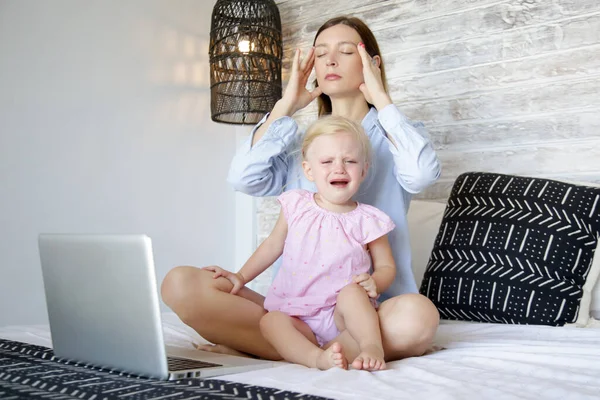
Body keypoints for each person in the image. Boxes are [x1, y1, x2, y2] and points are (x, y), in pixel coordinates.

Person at [161, 16, 441, 366]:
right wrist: (285, 106)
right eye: (321, 54)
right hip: (294, 312)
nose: (330, 61)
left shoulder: (396, 137)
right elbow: (243, 178)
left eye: (344, 51)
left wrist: (382, 100)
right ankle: (306, 350)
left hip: (365, 314)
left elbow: (422, 173)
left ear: (372, 63)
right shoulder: (299, 145)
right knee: (180, 284)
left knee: (419, 317)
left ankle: (274, 350)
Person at [207, 116, 396, 370]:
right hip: (295, 313)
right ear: (308, 170)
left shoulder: (369, 219)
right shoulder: (296, 204)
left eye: (349, 161)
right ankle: (316, 358)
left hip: (341, 316)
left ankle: (371, 346)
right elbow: (273, 245)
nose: (339, 168)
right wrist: (240, 276)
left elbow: (386, 267)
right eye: (327, 161)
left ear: (363, 170)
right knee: (271, 322)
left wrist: (376, 282)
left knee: (352, 294)